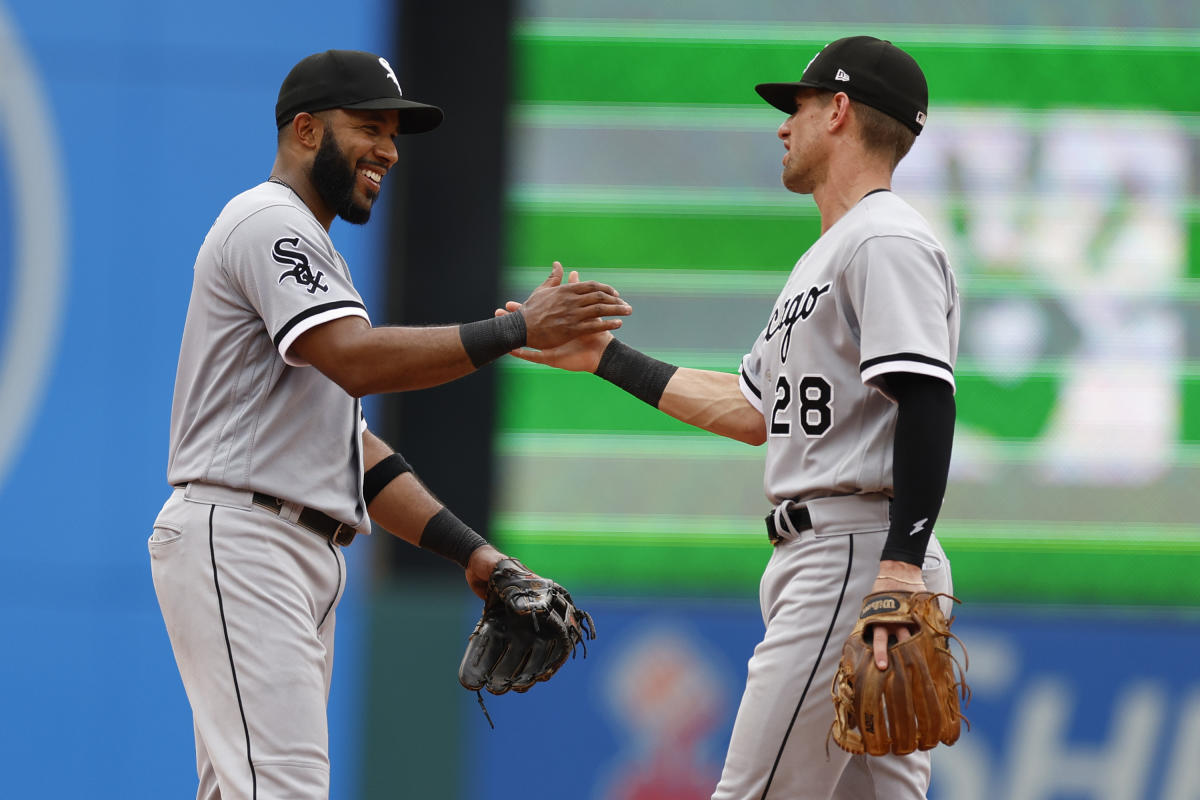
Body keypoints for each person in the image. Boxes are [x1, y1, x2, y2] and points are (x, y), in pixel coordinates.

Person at [148, 49, 630, 800]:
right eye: (369, 126)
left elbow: (354, 451)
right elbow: (355, 360)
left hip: (280, 542)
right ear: (305, 130)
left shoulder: (314, 247)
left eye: (395, 133)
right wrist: (513, 331)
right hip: (244, 535)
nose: (389, 150)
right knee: (283, 790)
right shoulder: (269, 220)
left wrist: (480, 559)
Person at [500, 36, 959, 799]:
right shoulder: (829, 254)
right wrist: (604, 359)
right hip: (843, 551)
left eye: (800, 107)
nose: (785, 126)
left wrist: (899, 567)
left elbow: (927, 397)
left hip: (856, 552)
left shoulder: (886, 239)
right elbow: (752, 410)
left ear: (840, 111)